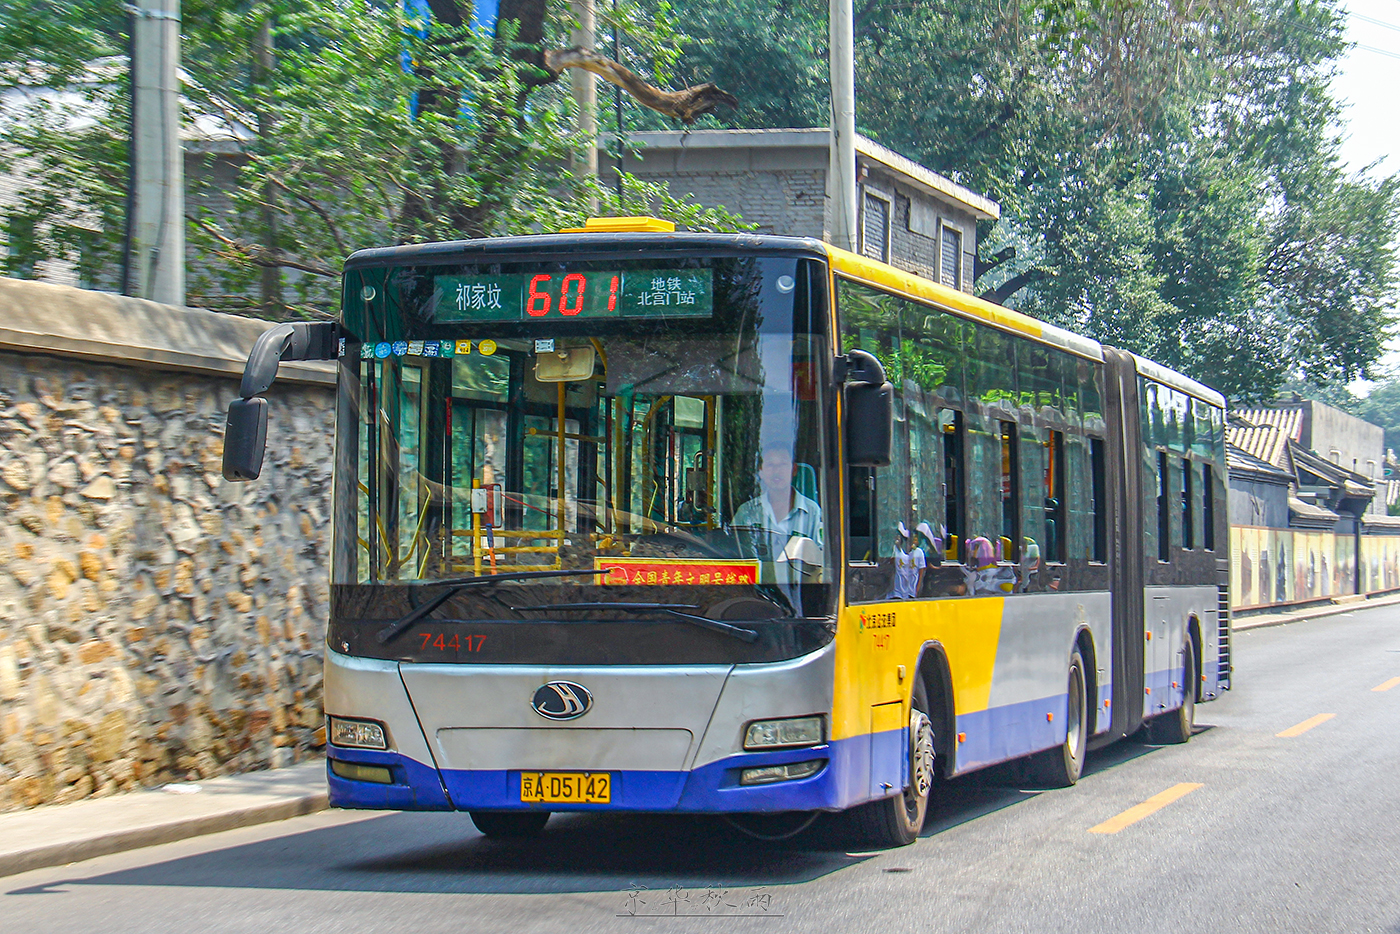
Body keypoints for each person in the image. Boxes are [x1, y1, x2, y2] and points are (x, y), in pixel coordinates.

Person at [731, 443, 823, 564]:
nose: (777, 471)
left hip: (801, 581)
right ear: (761, 472)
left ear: (794, 469)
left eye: (783, 464)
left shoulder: (812, 511)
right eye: (770, 465)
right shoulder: (747, 511)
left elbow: (822, 557)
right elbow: (732, 553)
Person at [890, 522, 926, 599]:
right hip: (897, 592)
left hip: (911, 592)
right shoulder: (896, 550)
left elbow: (921, 572)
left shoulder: (918, 552)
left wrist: (917, 590)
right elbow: (891, 564)